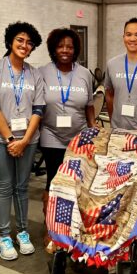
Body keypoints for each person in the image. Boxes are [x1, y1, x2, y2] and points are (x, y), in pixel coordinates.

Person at [0, 22, 44, 261]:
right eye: (20, 40)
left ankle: (23, 232)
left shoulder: (34, 73)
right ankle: (5, 235)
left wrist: (24, 140)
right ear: (10, 41)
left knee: (22, 186)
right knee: (5, 186)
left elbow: (38, 109)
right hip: (0, 139)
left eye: (29, 43)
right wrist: (10, 139)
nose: (24, 45)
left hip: (28, 140)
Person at [39, 28, 95, 245]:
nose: (65, 50)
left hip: (78, 137)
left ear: (76, 50)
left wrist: (92, 130)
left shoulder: (84, 74)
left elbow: (89, 105)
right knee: (53, 182)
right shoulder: (43, 72)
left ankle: (73, 226)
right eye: (61, 46)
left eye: (69, 46)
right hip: (51, 135)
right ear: (53, 48)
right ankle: (52, 230)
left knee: (76, 184)